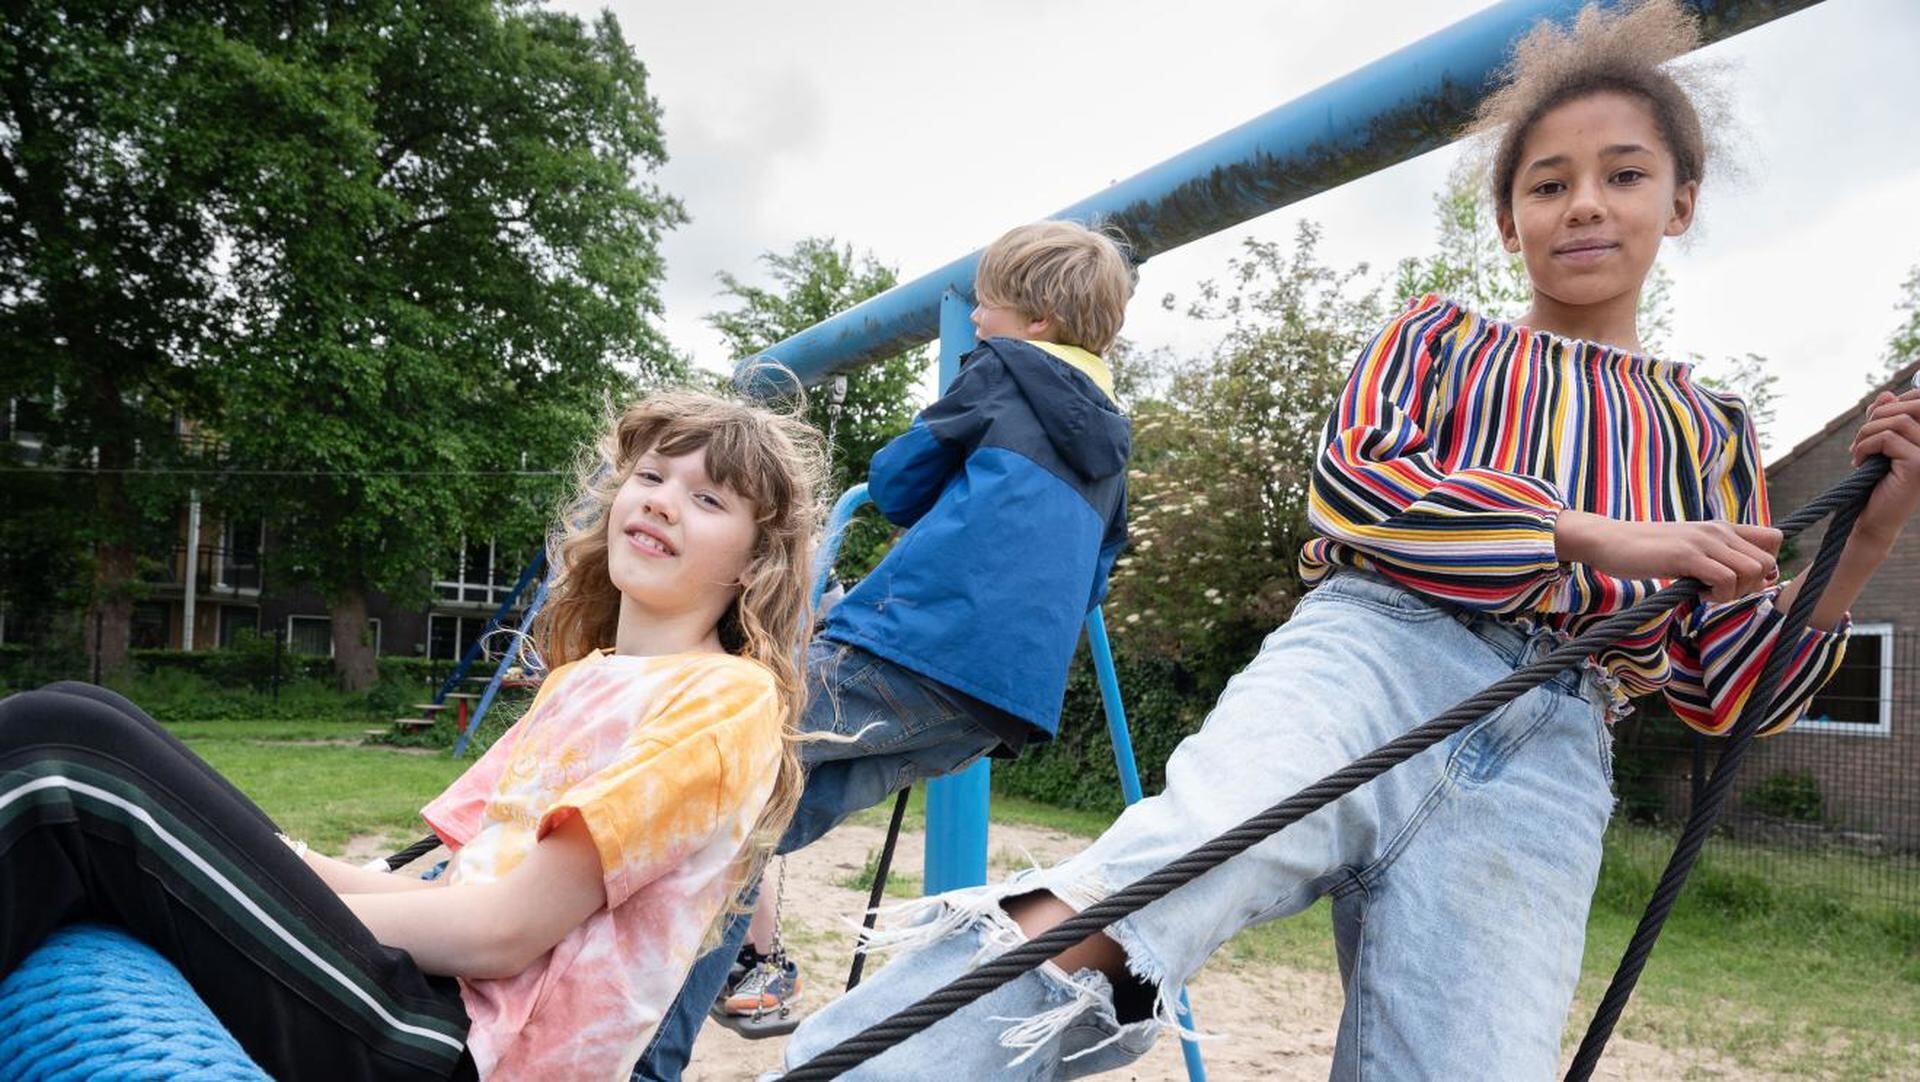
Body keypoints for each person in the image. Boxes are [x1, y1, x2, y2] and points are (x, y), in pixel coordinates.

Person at [776, 2, 1920, 1077]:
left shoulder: (1709, 431)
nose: (1584, 203)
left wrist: (1859, 545)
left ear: (1679, 200)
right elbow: (1358, 492)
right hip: (1374, 657)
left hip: (1562, 736)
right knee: (1153, 890)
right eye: (1548, 181)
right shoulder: (1437, 336)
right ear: (1508, 215)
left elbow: (1728, 692)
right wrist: (1596, 537)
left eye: (1624, 174)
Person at [0, 390, 829, 1080]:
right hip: (427, 996)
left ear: (758, 563)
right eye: (650, 474)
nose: (659, 498)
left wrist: (280, 889)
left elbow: (504, 933)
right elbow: (454, 890)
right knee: (85, 710)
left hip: (461, 1049)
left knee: (68, 754)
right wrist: (290, 864)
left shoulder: (725, 701)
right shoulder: (589, 681)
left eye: (707, 498)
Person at [635, 219, 1136, 1078]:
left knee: (704, 793)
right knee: (746, 833)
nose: (976, 318)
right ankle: (663, 1034)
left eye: (987, 304)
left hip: (908, 647)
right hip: (994, 704)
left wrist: (933, 436)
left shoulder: (1003, 373)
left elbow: (900, 486)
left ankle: (646, 1054)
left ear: (1037, 323)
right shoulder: (1113, 446)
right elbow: (1094, 580)